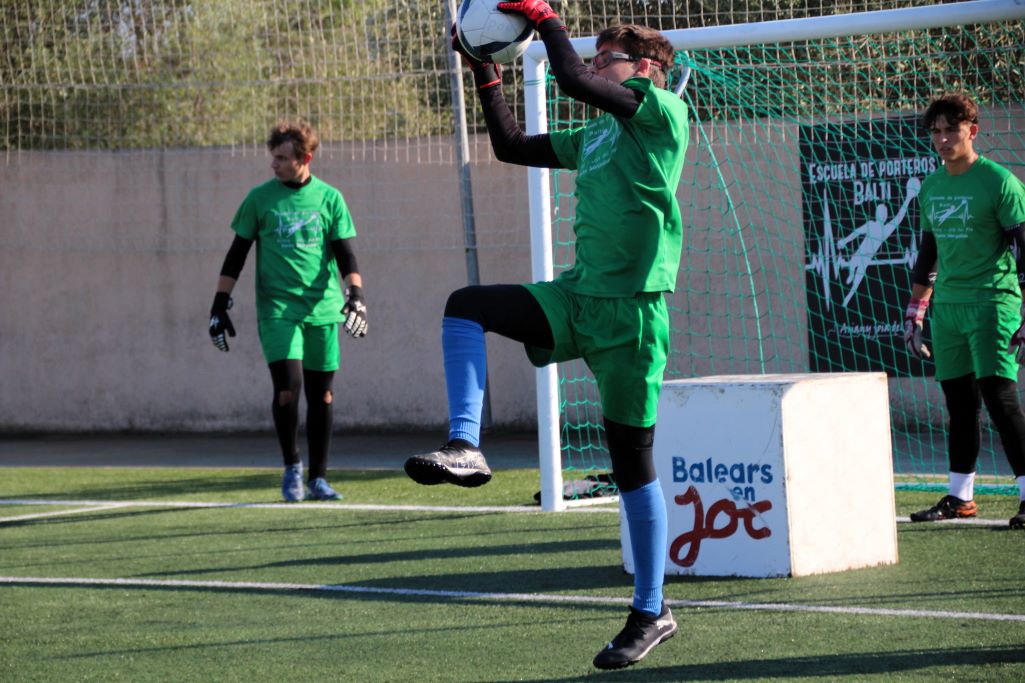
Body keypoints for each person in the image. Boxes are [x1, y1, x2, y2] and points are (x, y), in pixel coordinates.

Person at [404, 2, 687, 669]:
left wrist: (544, 16)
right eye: (595, 56)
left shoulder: (662, 113)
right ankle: (465, 445)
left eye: (606, 57)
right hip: (577, 298)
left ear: (645, 67)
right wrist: (484, 72)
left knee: (632, 466)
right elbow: (509, 145)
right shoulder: (596, 135)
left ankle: (651, 610)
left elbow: (571, 80)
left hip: (633, 317)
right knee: (465, 306)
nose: (595, 64)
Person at [208, 120, 368, 502]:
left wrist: (356, 296)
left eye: (282, 158)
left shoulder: (330, 198)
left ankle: (319, 478)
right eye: (273, 157)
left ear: (305, 159)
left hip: (323, 309)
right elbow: (236, 254)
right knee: (287, 389)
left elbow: (346, 253)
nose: (274, 164)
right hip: (278, 309)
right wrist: (219, 304)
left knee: (322, 395)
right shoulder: (259, 199)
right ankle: (292, 467)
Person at [902, 93, 1025, 528]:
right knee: (959, 404)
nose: (942, 139)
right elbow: (928, 254)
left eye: (950, 130)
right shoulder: (932, 186)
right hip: (949, 309)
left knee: (1001, 400)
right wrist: (916, 312)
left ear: (972, 131)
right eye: (935, 131)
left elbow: (1024, 249)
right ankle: (960, 497)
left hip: (993, 304)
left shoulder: (1000, 183)